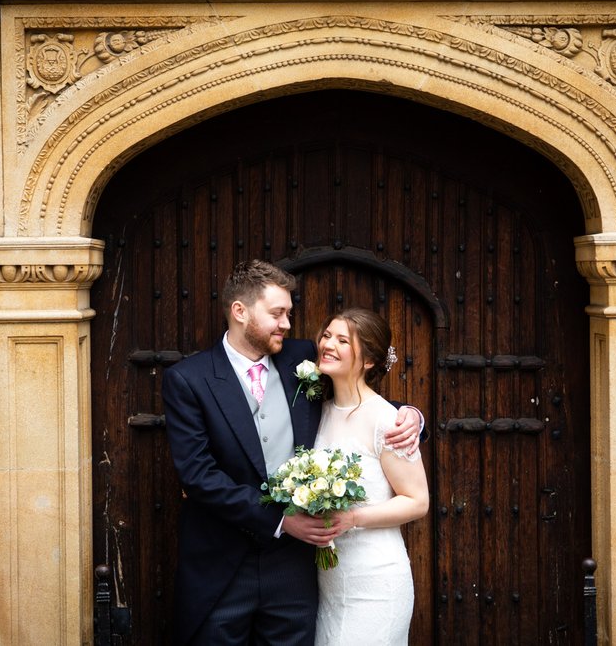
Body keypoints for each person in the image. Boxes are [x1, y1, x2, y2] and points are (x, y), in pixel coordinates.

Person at [162, 260, 423, 645]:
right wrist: (282, 521)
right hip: (221, 565)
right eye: (277, 313)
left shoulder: (301, 359)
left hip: (296, 571)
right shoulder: (189, 379)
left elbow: (362, 402)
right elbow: (198, 475)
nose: (287, 323)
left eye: (289, 313)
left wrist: (412, 418)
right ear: (240, 311)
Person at [311, 308, 430, 645]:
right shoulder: (318, 411)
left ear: (368, 361)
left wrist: (352, 518)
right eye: (327, 335)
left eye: (342, 340)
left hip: (375, 582)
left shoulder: (388, 421)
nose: (328, 344)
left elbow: (418, 501)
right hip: (331, 585)